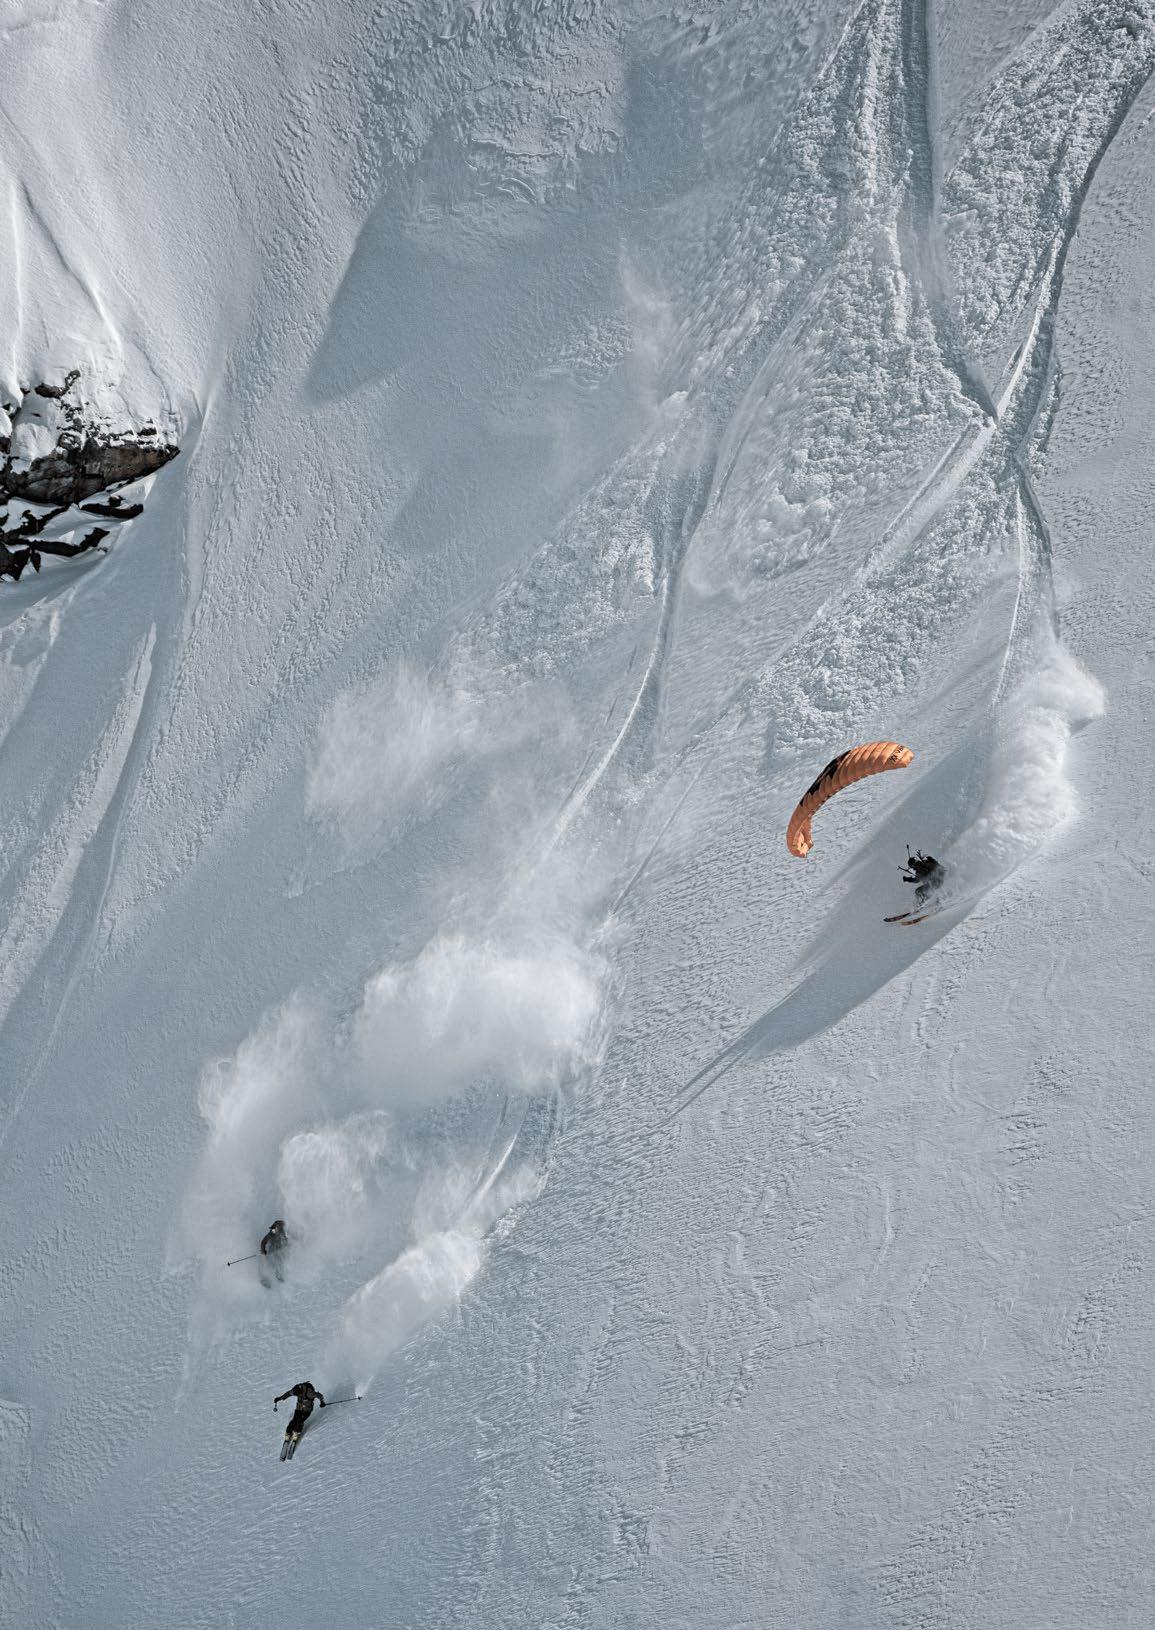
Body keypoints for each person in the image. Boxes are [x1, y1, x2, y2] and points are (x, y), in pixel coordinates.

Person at [274, 1381, 325, 1456]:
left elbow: (319, 1395)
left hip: (307, 1410)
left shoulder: (309, 1393)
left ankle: (296, 1433)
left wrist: (322, 1402)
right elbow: (288, 1393)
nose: (297, 1396)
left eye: (298, 1395)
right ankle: (288, 1433)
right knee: (294, 1420)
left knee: (300, 1421)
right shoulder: (296, 1390)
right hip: (299, 1408)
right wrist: (280, 1398)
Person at [259, 1218, 288, 1286]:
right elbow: (263, 1242)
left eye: (278, 1228)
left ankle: (279, 1277)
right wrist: (263, 1251)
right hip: (271, 1251)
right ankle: (265, 1279)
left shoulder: (284, 1232)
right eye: (275, 1228)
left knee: (279, 1263)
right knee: (270, 1264)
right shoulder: (272, 1232)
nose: (275, 1230)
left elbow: (287, 1241)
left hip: (279, 1251)